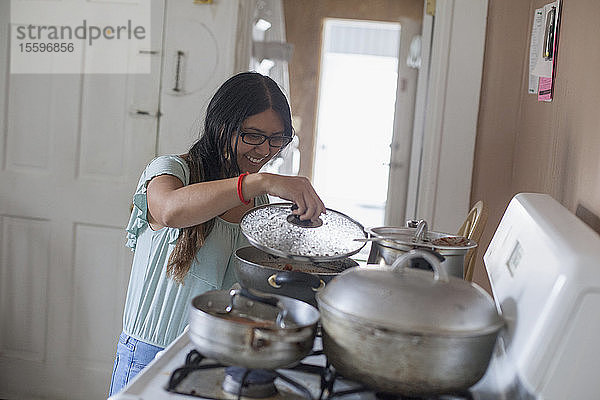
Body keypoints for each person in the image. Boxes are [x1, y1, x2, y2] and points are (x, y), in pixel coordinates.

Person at [108, 71, 325, 396]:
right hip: (150, 357)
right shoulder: (170, 171)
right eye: (253, 135)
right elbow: (170, 210)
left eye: (277, 138)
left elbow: (252, 282)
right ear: (222, 126)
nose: (265, 149)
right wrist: (262, 181)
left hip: (220, 361)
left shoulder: (257, 201)